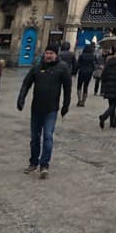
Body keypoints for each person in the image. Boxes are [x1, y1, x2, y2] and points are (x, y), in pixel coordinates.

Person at [17, 44, 71, 179]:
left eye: (51, 53)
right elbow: (26, 83)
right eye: (47, 53)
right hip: (36, 108)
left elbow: (67, 88)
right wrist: (21, 98)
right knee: (35, 138)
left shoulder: (62, 68)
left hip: (51, 109)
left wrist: (66, 105)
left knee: (48, 137)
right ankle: (33, 162)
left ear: (56, 54)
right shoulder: (37, 66)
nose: (48, 55)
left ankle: (44, 164)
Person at [98, 46, 116, 129]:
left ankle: (112, 123)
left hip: (108, 85)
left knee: (111, 104)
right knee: (114, 104)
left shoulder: (109, 61)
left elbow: (103, 74)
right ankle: (104, 116)